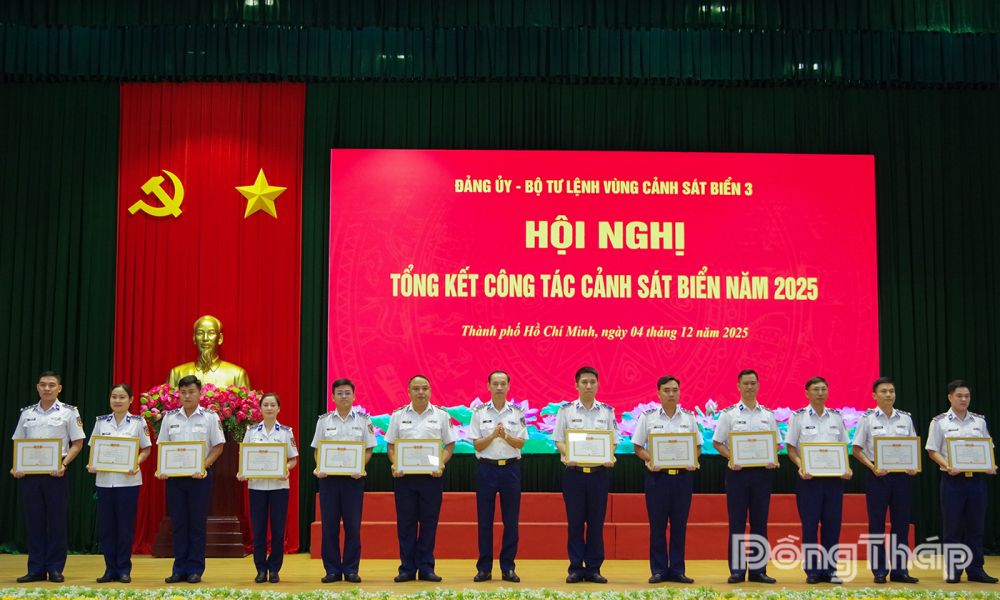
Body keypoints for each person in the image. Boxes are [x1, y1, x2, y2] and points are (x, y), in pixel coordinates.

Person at [11, 371, 86, 583]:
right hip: (30, 474)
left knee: (56, 522)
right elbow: (18, 442)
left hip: (56, 472)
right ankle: (35, 568)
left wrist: (64, 464)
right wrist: (16, 466)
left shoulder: (69, 412)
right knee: (34, 522)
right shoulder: (27, 413)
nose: (47, 388)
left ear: (59, 388)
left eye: (51, 385)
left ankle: (55, 568)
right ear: (37, 387)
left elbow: (78, 443)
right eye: (43, 384)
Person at [385, 375, 456, 582]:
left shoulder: (441, 415)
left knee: (429, 523)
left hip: (431, 476)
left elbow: (449, 445)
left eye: (425, 388)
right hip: (404, 477)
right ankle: (407, 568)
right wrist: (395, 463)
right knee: (405, 524)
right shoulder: (398, 416)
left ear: (430, 391)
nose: (421, 392)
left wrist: (440, 463)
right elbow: (391, 446)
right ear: (408, 392)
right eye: (416, 389)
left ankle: (426, 567)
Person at [925, 379, 998, 584]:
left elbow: (988, 447)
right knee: (953, 528)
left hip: (976, 481)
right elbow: (932, 450)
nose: (964, 399)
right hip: (952, 481)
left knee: (976, 527)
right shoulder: (940, 422)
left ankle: (976, 569)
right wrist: (947, 465)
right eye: (959, 396)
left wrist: (991, 465)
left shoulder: (979, 421)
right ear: (950, 397)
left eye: (967, 396)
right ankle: (953, 570)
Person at [156, 375, 226, 584]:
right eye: (183, 392)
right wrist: (163, 468)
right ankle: (179, 568)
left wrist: (204, 465)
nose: (187, 396)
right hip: (175, 479)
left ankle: (195, 568)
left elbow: (218, 446)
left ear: (199, 393)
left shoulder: (210, 417)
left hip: (200, 478)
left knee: (196, 525)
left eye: (191, 392)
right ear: (178, 394)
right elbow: (163, 446)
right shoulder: (169, 418)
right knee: (178, 524)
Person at [712, 369, 779, 584]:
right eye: (746, 383)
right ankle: (738, 571)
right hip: (737, 474)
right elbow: (717, 442)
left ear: (758, 385)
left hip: (762, 475)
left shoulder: (768, 415)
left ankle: (759, 570)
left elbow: (776, 443)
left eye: (753, 383)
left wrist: (772, 457)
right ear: (738, 386)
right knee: (737, 523)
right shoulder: (729, 414)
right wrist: (732, 457)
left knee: (760, 523)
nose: (749, 387)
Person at [552, 366, 618, 584]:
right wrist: (568, 454)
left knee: (596, 523)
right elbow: (558, 440)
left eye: (592, 382)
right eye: (584, 382)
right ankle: (575, 568)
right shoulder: (566, 411)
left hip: (599, 474)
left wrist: (609, 454)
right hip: (575, 474)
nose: (588, 386)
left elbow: (614, 441)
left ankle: (593, 568)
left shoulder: (607, 411)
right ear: (577, 385)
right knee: (575, 523)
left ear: (598, 385)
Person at [631, 375, 700, 584]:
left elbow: (697, 446)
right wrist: (650, 459)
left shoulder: (689, 418)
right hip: (657, 479)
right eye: (667, 390)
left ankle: (678, 569)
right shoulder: (648, 418)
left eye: (675, 390)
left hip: (682, 479)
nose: (671, 394)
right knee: (657, 526)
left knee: (680, 526)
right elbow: (638, 447)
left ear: (679, 392)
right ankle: (659, 570)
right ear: (658, 393)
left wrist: (693, 459)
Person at [851, 377, 919, 584]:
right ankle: (879, 570)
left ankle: (900, 570)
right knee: (877, 525)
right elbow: (856, 449)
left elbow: (912, 446)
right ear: (874, 395)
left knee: (901, 524)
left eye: (891, 391)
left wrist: (913, 465)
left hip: (902, 478)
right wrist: (872, 467)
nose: (889, 394)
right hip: (877, 476)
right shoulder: (867, 419)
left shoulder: (905, 419)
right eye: (884, 391)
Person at [785, 377, 852, 584]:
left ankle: (830, 570)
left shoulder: (836, 417)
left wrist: (847, 467)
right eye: (816, 389)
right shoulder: (798, 417)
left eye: (823, 389)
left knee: (832, 526)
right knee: (810, 526)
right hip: (809, 481)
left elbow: (843, 446)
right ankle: (812, 571)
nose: (820, 393)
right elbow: (791, 448)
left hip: (833, 481)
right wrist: (801, 466)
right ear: (807, 393)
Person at [312, 378, 375, 583]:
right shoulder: (324, 421)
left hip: (353, 481)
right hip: (329, 481)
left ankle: (350, 569)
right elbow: (317, 450)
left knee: (352, 527)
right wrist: (320, 466)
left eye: (347, 392)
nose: (344, 396)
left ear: (354, 396)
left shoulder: (364, 420)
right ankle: (332, 570)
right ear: (332, 397)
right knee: (329, 526)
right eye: (339, 393)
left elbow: (368, 449)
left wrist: (360, 466)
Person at [88, 383, 152, 583]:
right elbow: (94, 448)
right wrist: (92, 464)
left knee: (124, 527)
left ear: (131, 400)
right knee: (107, 528)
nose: (117, 400)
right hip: (104, 482)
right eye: (114, 396)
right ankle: (109, 569)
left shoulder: (138, 422)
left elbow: (147, 449)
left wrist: (136, 462)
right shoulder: (101, 422)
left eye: (122, 397)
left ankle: (124, 569)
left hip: (128, 482)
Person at [469, 370, 528, 583]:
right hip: (486, 469)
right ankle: (484, 568)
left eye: (503, 384)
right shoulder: (479, 412)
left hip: (510, 470)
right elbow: (477, 444)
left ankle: (508, 567)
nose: (499, 387)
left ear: (509, 386)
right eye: (495, 383)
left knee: (511, 521)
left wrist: (506, 436)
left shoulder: (517, 412)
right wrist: (494, 435)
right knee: (485, 521)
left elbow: (521, 443)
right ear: (489, 386)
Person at [239, 393, 298, 583]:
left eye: (273, 405)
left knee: (278, 530)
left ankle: (274, 569)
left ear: (279, 408)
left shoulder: (286, 432)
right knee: (259, 530)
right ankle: (260, 569)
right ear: (260, 408)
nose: (269, 408)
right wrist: (242, 472)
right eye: (266, 405)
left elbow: (293, 459)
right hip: (256, 487)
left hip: (279, 487)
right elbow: (244, 457)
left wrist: (285, 468)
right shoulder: (251, 432)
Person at [168, 315, 250, 389]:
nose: (205, 338)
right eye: (200, 333)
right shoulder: (177, 373)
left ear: (220, 338)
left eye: (211, 333)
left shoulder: (237, 375)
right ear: (194, 338)